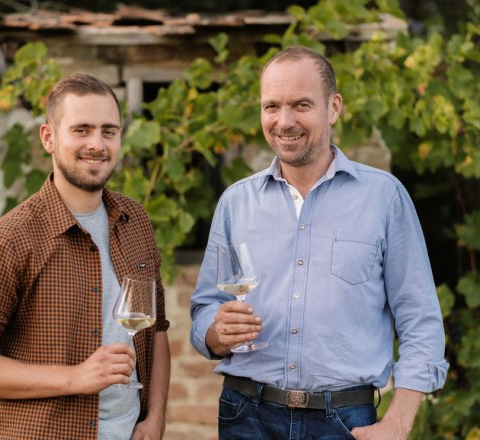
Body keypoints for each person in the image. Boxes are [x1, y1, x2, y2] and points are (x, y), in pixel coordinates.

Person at [189, 46, 449, 439]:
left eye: (302, 105)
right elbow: (207, 307)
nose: (284, 121)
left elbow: (421, 321)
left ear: (334, 107)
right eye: (271, 106)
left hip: (345, 422)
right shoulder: (235, 202)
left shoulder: (384, 197)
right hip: (246, 416)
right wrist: (214, 332)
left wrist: (398, 422)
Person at [0, 73, 170, 440]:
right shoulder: (11, 239)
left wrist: (155, 417)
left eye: (109, 131)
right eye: (82, 130)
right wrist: (75, 377)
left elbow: (152, 330)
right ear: (49, 137)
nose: (97, 143)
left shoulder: (135, 222)